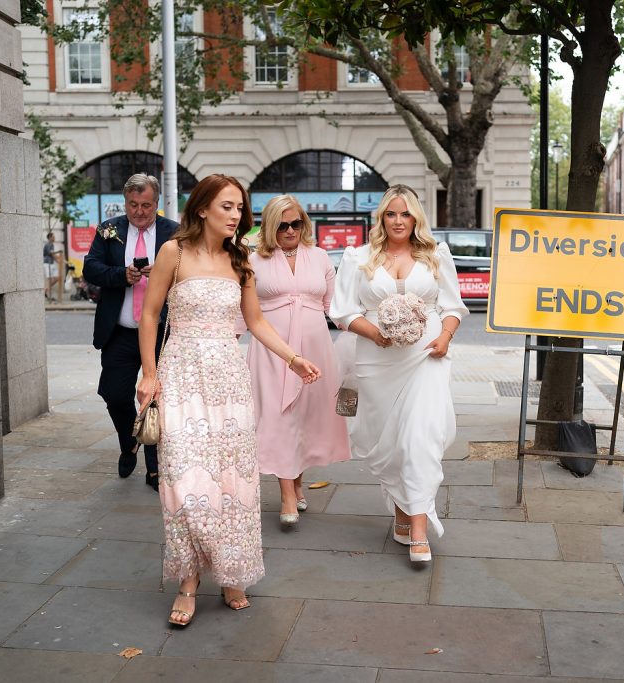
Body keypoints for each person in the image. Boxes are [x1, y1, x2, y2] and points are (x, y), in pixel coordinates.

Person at [135, 174, 322, 627]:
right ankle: (188, 580)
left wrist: (293, 358)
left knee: (231, 482)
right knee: (183, 480)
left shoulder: (242, 260)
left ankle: (230, 569)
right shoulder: (173, 253)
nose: (237, 215)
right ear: (202, 209)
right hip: (181, 373)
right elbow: (150, 313)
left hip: (229, 381)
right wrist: (150, 374)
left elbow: (255, 322)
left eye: (240, 207)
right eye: (227, 206)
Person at [329, 184, 467, 564]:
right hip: (377, 360)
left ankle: (420, 529)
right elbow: (342, 311)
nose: (398, 221)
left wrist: (444, 336)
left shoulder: (436, 254)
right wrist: (376, 333)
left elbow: (452, 306)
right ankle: (403, 513)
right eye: (391, 214)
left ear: (416, 218)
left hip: (427, 357)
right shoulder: (358, 257)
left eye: (405, 214)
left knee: (418, 438)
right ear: (381, 218)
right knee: (388, 444)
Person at [248, 195, 351, 527]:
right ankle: (287, 495)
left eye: (296, 223)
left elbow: (337, 310)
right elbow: (243, 312)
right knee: (279, 416)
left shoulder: (320, 257)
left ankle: (297, 482)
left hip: (314, 348)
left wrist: (373, 331)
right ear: (269, 226)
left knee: (304, 416)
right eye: (281, 225)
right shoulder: (253, 259)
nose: (290, 230)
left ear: (304, 224)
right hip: (271, 349)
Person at [84, 173, 178, 491]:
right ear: (125, 202)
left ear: (157, 203)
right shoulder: (109, 229)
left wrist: (165, 272)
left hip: (160, 331)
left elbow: (189, 272)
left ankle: (155, 470)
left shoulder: (173, 232)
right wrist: (121, 274)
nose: (139, 211)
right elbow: (91, 268)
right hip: (120, 330)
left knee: (154, 399)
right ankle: (130, 442)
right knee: (113, 394)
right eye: (133, 205)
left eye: (146, 205)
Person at [43, 232, 59, 300]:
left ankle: (46, 290)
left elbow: (53, 254)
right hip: (47, 263)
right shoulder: (47, 245)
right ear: (49, 238)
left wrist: (57, 259)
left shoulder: (52, 245)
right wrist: (58, 260)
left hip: (52, 263)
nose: (54, 238)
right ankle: (48, 295)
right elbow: (52, 254)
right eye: (53, 237)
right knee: (49, 280)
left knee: (57, 278)